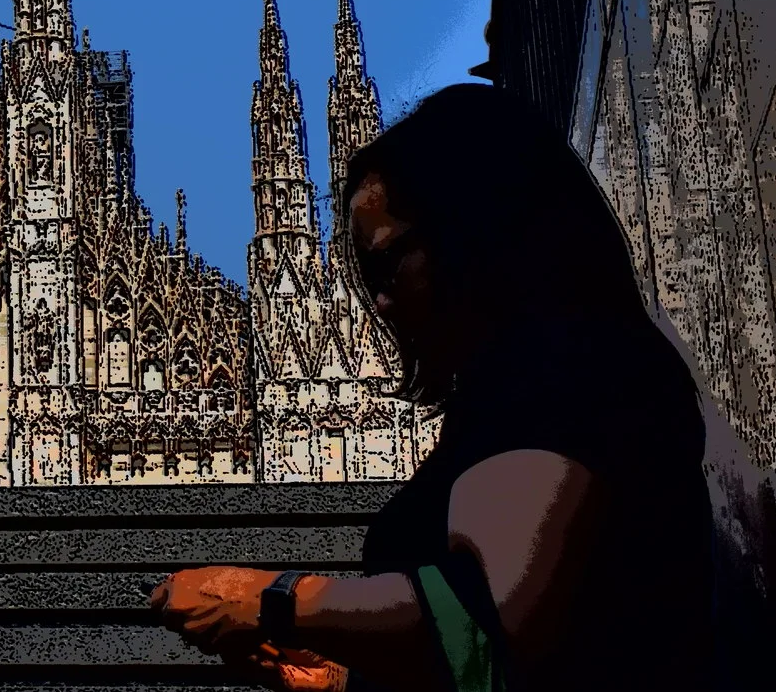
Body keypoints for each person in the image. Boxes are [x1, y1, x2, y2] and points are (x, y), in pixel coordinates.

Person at [151, 83, 715, 691]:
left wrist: (274, 598)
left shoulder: (566, 367)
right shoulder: (527, 379)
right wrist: (344, 682)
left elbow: (491, 628)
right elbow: (503, 656)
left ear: (476, 226)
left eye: (389, 263)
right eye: (367, 278)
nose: (381, 303)